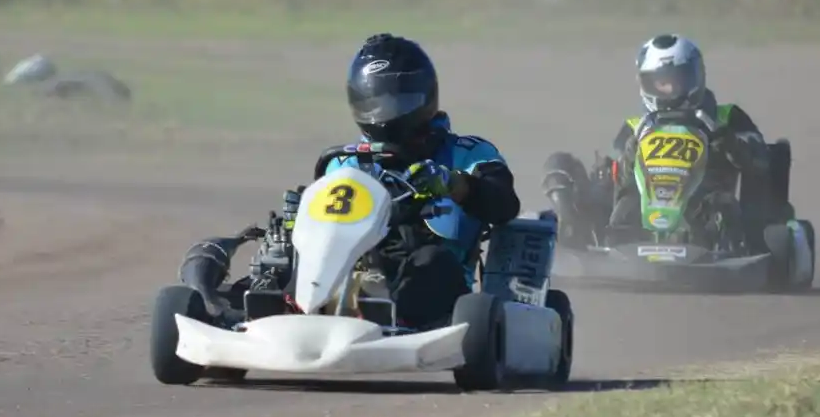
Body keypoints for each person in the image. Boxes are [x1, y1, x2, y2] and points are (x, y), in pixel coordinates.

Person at [320, 33, 521, 328]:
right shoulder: (344, 162)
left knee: (431, 262)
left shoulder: (466, 154)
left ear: (423, 97)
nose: (382, 114)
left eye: (394, 102)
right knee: (291, 257)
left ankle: (385, 313)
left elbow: (505, 205)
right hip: (356, 266)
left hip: (436, 287)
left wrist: (455, 185)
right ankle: (271, 306)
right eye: (372, 104)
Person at [543, 33, 789, 249]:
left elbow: (761, 158)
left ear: (696, 77)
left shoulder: (726, 118)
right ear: (646, 84)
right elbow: (616, 181)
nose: (669, 89)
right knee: (570, 169)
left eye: (676, 81)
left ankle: (720, 243)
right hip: (640, 203)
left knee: (724, 208)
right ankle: (575, 228)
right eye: (661, 83)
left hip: (707, 201)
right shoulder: (635, 127)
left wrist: (730, 144)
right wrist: (624, 161)